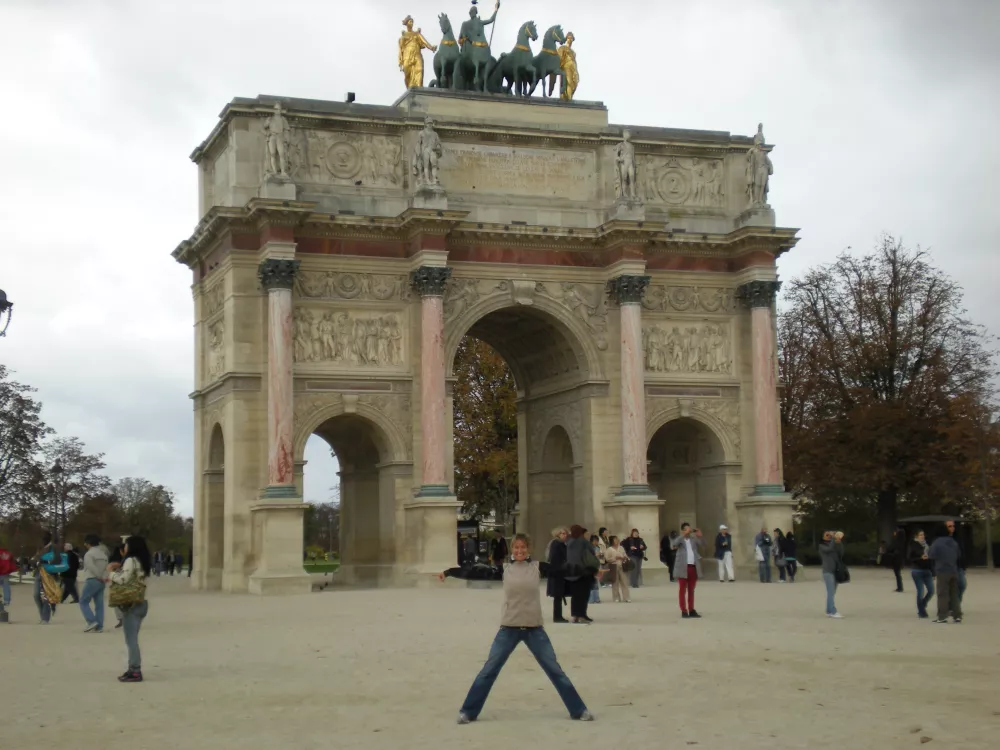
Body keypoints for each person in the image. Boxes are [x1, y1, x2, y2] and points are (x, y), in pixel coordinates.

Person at [438, 532, 595, 724]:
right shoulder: (504, 569)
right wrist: (449, 572)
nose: (519, 550)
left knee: (555, 670)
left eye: (523, 547)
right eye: (516, 547)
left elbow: (565, 569)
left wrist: (591, 569)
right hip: (509, 628)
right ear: (511, 550)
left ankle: (578, 710)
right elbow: (474, 571)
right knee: (489, 670)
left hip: (534, 629)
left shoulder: (538, 567)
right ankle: (468, 712)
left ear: (528, 549)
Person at [107, 535, 151, 682]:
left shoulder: (131, 560)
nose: (124, 547)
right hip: (140, 602)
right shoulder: (142, 561)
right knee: (132, 638)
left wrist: (111, 573)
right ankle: (132, 668)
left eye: (125, 545)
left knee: (131, 640)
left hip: (130, 604)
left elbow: (123, 580)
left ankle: (135, 670)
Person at [565, 525, 600, 624]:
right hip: (584, 572)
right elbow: (591, 552)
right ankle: (582, 615)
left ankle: (575, 615)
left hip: (572, 572)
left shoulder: (569, 542)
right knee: (584, 595)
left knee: (575, 596)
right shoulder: (583, 542)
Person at [928, 524, 962, 624]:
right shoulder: (953, 542)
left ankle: (942, 616)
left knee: (942, 594)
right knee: (954, 594)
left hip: (942, 570)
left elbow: (931, 555)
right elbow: (958, 555)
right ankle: (957, 615)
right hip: (954, 570)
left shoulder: (937, 543)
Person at [670, 523, 704, 618]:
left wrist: (700, 536)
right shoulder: (680, 540)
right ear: (682, 531)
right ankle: (683, 610)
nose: (688, 531)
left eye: (689, 529)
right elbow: (673, 544)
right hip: (682, 567)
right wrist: (683, 535)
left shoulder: (693, 540)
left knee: (691, 590)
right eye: (686, 529)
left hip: (693, 567)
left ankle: (691, 609)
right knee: (682, 590)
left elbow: (703, 545)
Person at [33, 532, 68, 623]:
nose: (43, 540)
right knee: (36, 595)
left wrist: (46, 562)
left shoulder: (54, 547)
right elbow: (35, 558)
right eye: (42, 539)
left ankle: (45, 618)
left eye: (45, 539)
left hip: (49, 574)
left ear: (49, 539)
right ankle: (43, 615)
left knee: (47, 596)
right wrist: (34, 561)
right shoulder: (40, 548)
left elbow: (58, 560)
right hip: (39, 573)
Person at [79, 533, 109, 632]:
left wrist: (98, 576)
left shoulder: (89, 554)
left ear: (88, 543)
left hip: (92, 579)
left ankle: (91, 621)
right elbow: (106, 568)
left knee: (83, 601)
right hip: (102, 581)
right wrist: (103, 577)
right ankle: (99, 626)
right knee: (99, 604)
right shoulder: (104, 554)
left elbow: (91, 566)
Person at [907, 529, 935, 619]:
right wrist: (920, 557)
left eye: (923, 535)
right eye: (920, 535)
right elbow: (909, 558)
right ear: (916, 537)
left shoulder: (927, 546)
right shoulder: (913, 545)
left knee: (931, 591)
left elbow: (931, 560)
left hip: (927, 570)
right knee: (920, 591)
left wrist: (933, 572)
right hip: (917, 570)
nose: (922, 536)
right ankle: (921, 611)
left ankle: (922, 604)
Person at [818, 531, 845, 618]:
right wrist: (833, 538)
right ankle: (833, 611)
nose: (829, 536)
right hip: (827, 571)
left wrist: (838, 541)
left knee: (832, 592)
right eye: (826, 535)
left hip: (836, 570)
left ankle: (828, 610)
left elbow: (841, 552)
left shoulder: (833, 544)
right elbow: (828, 549)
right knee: (830, 592)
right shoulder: (822, 546)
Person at [546, 528, 569, 623]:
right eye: (562, 533)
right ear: (557, 534)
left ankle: (558, 616)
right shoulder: (557, 544)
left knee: (558, 596)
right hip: (557, 573)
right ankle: (557, 616)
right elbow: (557, 559)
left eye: (565, 533)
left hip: (557, 573)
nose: (565, 535)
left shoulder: (557, 544)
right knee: (558, 596)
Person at [945, 519, 967, 605]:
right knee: (950, 587)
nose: (952, 528)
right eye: (950, 526)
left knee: (962, 585)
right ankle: (952, 605)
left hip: (958, 566)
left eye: (953, 526)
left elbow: (962, 551)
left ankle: (956, 603)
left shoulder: (957, 538)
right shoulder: (942, 539)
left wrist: (963, 565)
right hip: (947, 566)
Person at [604, 535, 630, 603]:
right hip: (613, 566)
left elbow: (625, 555)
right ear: (612, 541)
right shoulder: (609, 549)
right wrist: (615, 558)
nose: (617, 540)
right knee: (615, 583)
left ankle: (626, 597)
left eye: (617, 539)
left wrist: (623, 557)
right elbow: (607, 559)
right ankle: (616, 597)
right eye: (615, 539)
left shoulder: (621, 548)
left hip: (622, 566)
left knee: (624, 582)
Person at [888, 526, 906, 592]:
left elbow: (891, 548)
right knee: (898, 574)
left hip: (896, 559)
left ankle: (900, 587)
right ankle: (900, 587)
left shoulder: (896, 542)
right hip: (899, 559)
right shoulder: (902, 542)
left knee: (897, 574)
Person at [0, 543, 16, 610]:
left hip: (1, 572)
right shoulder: (7, 553)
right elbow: (12, 560)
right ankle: (7, 600)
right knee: (6, 586)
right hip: (6, 573)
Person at [588, 534, 602, 605]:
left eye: (597, 541)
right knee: (591, 582)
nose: (596, 542)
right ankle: (591, 599)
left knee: (596, 582)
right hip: (590, 566)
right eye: (595, 541)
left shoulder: (598, 548)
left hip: (596, 565)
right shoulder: (589, 548)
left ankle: (596, 598)